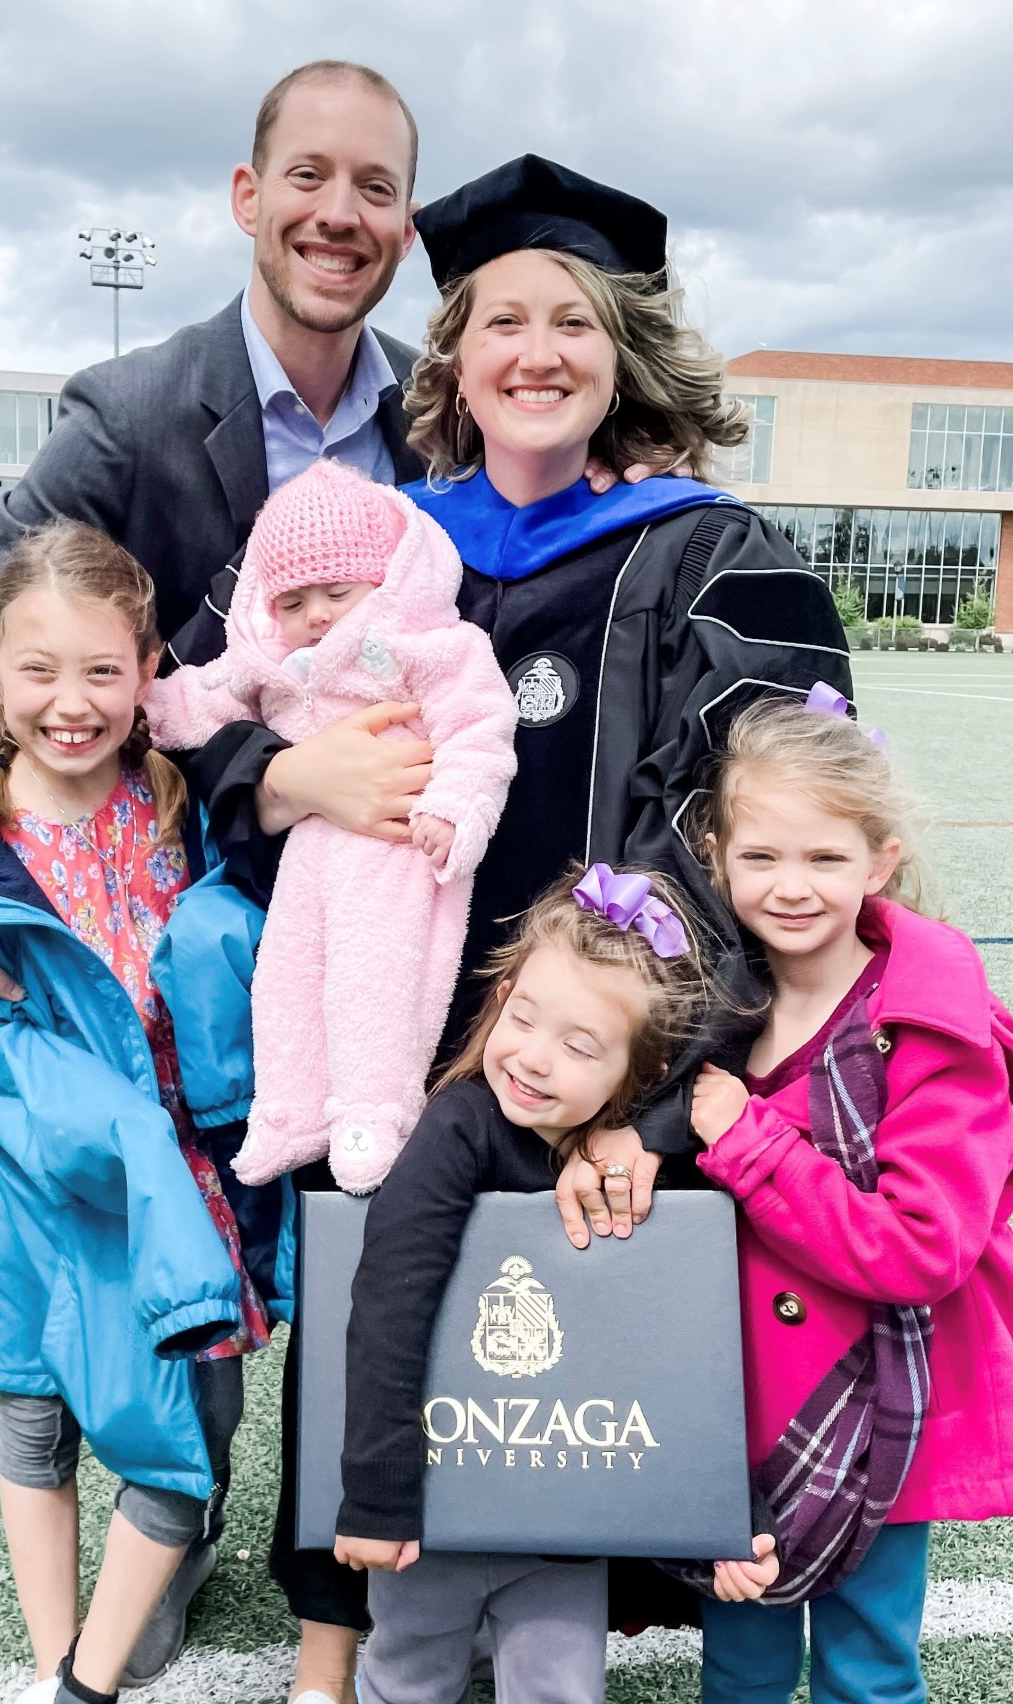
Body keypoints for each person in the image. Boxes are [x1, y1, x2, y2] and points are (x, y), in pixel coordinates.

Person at [183, 152, 851, 1678]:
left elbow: (766, 855)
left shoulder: (719, 556)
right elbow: (199, 720)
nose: (533, 351)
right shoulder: (365, 549)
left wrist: (662, 1105)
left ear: (618, 349)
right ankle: (332, 1650)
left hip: (599, 1073)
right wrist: (294, 781)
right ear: (453, 357)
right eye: (497, 321)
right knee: (378, 1307)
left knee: (575, 1365)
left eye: (570, 320)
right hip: (387, 1043)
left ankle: (563, 1639)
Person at [0, 521, 280, 1704]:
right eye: (38, 671)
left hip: (189, 1181)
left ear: (146, 676)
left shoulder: (179, 805)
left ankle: (97, 1662)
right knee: (37, 1416)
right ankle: (56, 1667)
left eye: (101, 672)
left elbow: (242, 946)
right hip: (43, 1190)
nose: (69, 703)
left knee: (193, 1424)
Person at [675, 692, 1013, 1704]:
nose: (790, 886)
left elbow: (921, 1247)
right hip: (739, 1405)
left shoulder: (929, 1025)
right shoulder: (701, 1001)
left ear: (877, 862)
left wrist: (751, 1145)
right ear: (714, 855)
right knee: (740, 1663)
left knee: (867, 1666)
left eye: (823, 859)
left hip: (883, 1399)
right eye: (760, 857)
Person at [333, 864, 780, 1704]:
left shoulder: (640, 1176)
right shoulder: (460, 1123)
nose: (533, 1058)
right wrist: (377, 1498)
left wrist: (730, 1513)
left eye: (579, 1046)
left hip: (566, 1521)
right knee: (406, 1678)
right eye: (522, 1017)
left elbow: (682, 1351)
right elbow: (390, 1298)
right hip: (433, 1508)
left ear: (637, 1079)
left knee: (558, 1690)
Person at [146, 457, 517, 1191]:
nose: (316, 614)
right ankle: (289, 1112)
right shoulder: (276, 662)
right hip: (310, 857)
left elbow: (480, 727)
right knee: (287, 980)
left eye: (337, 592)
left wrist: (456, 807)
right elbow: (204, 696)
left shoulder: (429, 646)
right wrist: (138, 704)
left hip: (397, 852)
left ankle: (374, 1114)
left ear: (386, 582)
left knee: (378, 984)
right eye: (292, 600)